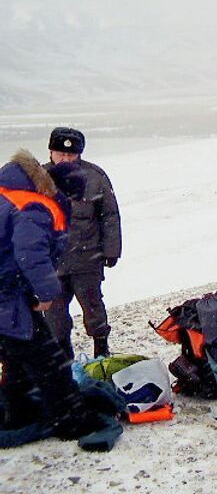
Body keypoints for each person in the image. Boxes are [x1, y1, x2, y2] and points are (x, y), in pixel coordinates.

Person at [0, 149, 103, 440]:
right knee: (49, 362)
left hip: (8, 294)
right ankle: (73, 422)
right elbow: (30, 254)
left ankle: (17, 412)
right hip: (6, 297)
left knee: (16, 356)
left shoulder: (11, 193)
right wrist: (47, 293)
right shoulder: (38, 206)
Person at [43, 127, 122, 359]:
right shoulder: (36, 177)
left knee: (93, 308)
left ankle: (101, 348)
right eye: (60, 153)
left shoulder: (95, 176)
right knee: (54, 317)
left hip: (87, 258)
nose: (65, 158)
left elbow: (110, 215)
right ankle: (62, 359)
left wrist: (111, 250)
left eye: (71, 154)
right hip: (51, 264)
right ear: (50, 152)